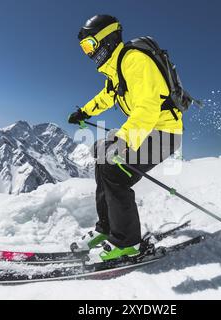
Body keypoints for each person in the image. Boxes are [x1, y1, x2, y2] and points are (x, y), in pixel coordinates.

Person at [68, 14, 183, 262]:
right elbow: (107, 96)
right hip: (148, 130)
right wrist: (85, 112)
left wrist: (122, 140)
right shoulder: (118, 69)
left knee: (113, 170)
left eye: (90, 45)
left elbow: (148, 107)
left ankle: (127, 243)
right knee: (103, 161)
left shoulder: (134, 61)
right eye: (84, 48)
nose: (88, 53)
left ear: (106, 39)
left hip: (164, 133)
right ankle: (107, 228)